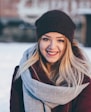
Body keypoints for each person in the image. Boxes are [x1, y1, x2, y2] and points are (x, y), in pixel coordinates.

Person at [10, 10, 91, 112]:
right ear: (39, 41)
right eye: (46, 39)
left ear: (68, 45)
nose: (52, 46)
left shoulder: (82, 78)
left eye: (60, 40)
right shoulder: (22, 74)